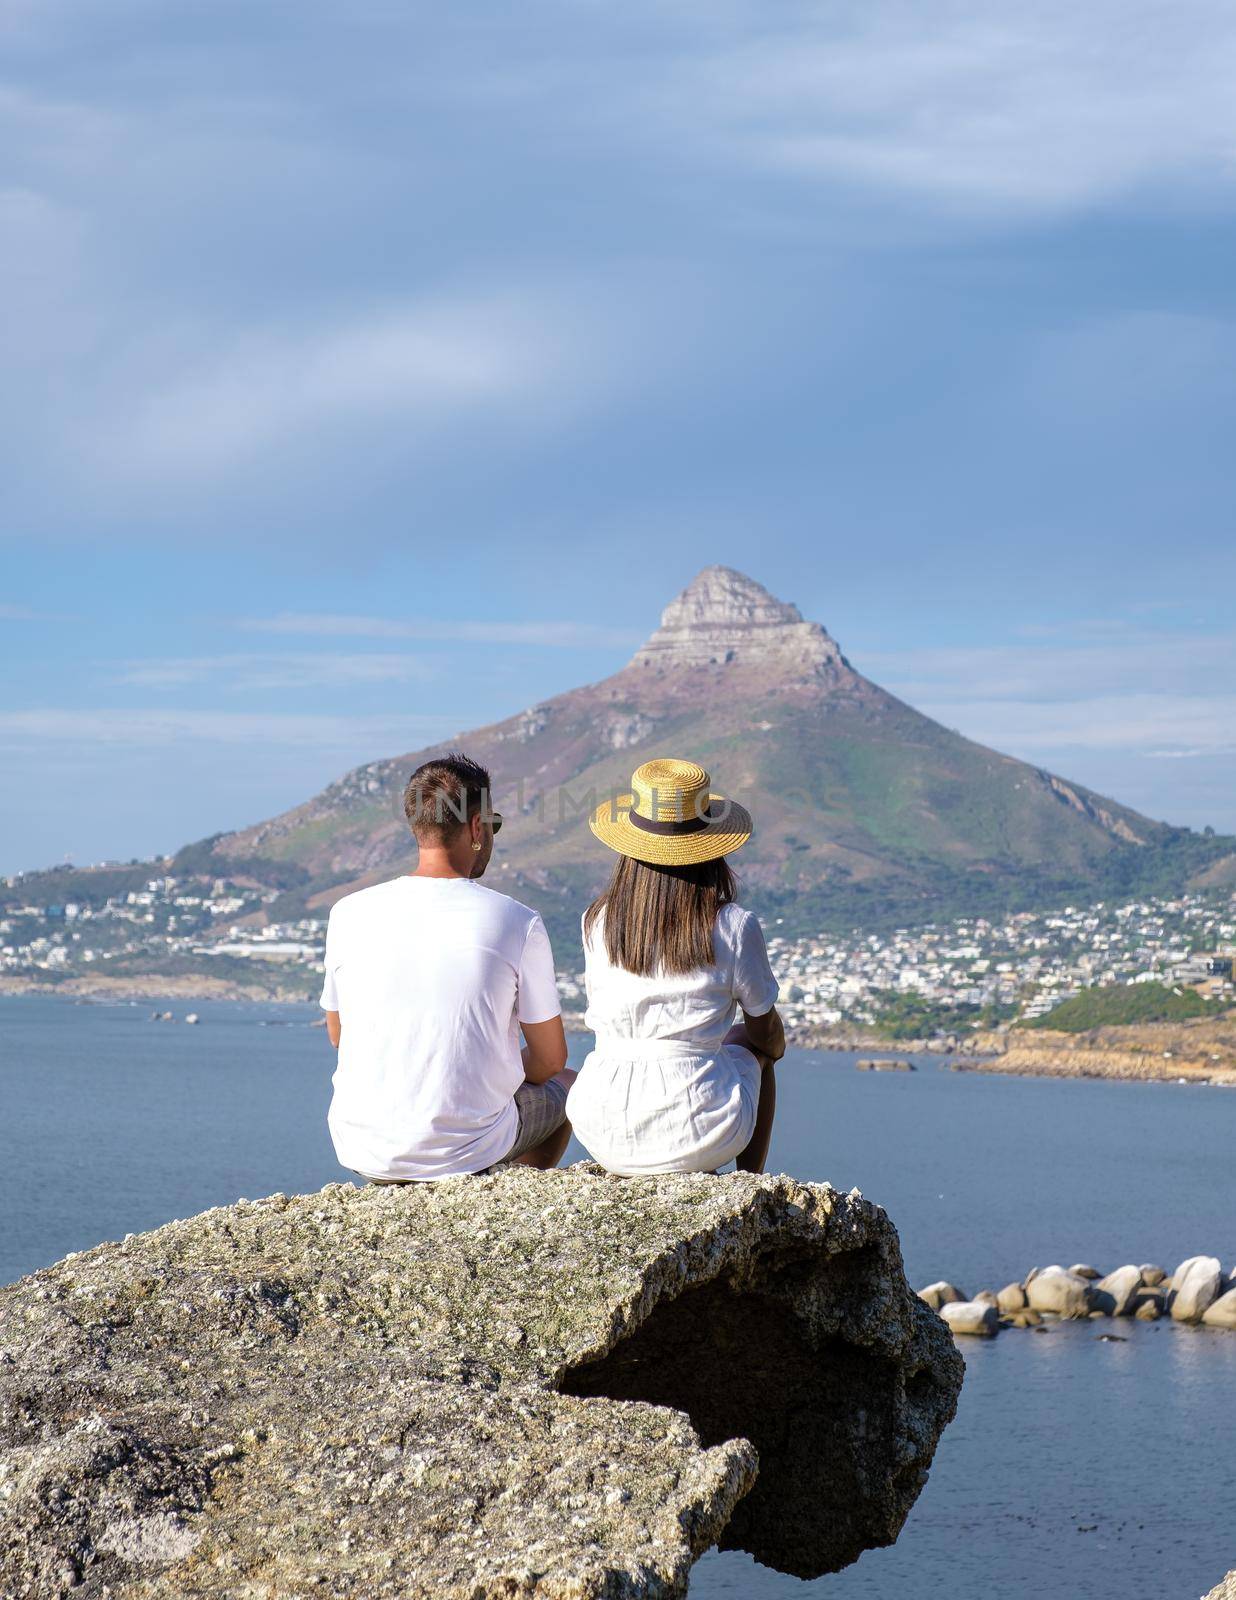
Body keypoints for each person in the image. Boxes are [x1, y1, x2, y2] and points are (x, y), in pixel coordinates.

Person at [320, 752, 575, 1181]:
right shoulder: (517, 920)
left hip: (363, 1148)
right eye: (491, 825)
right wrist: (501, 1076)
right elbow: (550, 1060)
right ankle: (504, 1194)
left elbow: (337, 1034)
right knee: (568, 1084)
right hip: (462, 1154)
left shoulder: (347, 912)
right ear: (476, 828)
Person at [566, 757, 784, 1176]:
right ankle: (750, 1182)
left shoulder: (597, 920)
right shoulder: (733, 925)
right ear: (711, 851)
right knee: (754, 1046)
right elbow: (763, 1029)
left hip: (603, 1126)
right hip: (698, 1130)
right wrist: (773, 1047)